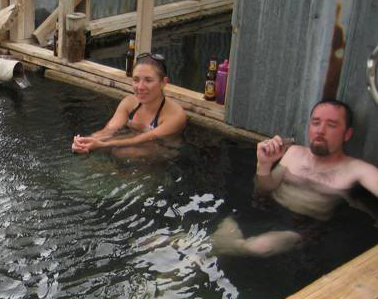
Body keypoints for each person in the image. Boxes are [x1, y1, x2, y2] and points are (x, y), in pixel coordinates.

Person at [214, 99, 378, 256]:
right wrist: (264, 165)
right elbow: (264, 188)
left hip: (302, 227)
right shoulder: (294, 153)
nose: (320, 130)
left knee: (258, 247)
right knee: (215, 242)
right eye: (315, 123)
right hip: (264, 210)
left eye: (331, 125)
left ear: (347, 134)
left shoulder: (357, 170)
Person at [71, 52, 187, 155]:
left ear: (163, 83)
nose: (140, 87)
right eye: (136, 80)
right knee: (116, 151)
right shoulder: (129, 103)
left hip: (161, 150)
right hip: (133, 139)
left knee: (124, 152)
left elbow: (147, 138)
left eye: (148, 80)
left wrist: (103, 145)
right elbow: (109, 130)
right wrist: (85, 142)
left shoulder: (175, 115)